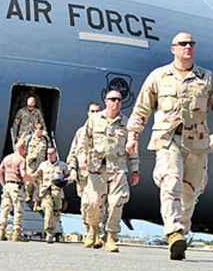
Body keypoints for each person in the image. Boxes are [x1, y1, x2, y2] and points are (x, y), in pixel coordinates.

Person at [126, 32, 213, 260]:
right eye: (183, 44)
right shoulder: (159, 77)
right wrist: (133, 135)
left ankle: (181, 233)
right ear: (173, 48)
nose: (188, 47)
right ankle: (173, 231)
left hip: (197, 142)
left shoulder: (207, 79)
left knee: (189, 191)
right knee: (170, 181)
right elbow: (142, 109)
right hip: (168, 139)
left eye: (191, 44)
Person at [78, 90, 139, 253]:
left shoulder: (127, 123)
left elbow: (133, 149)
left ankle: (111, 237)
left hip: (118, 168)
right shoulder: (94, 120)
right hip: (96, 168)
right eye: (112, 99)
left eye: (119, 100)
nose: (116, 102)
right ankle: (93, 229)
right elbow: (83, 142)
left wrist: (135, 170)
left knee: (116, 203)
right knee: (93, 202)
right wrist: (82, 158)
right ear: (106, 101)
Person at [66, 102, 102, 234]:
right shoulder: (81, 133)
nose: (95, 114)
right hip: (84, 176)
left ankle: (98, 233)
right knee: (86, 205)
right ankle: (89, 232)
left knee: (99, 204)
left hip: (100, 175)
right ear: (88, 113)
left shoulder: (106, 132)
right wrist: (73, 170)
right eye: (92, 111)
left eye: (97, 111)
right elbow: (73, 154)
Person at [32, 147, 70, 243]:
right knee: (48, 209)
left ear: (55, 154)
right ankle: (49, 232)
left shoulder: (62, 165)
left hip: (57, 193)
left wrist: (65, 182)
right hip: (46, 192)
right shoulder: (43, 165)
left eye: (51, 153)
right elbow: (36, 174)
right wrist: (31, 179)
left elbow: (70, 176)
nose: (49, 155)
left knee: (56, 213)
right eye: (48, 154)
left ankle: (53, 230)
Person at [0, 141, 29, 242]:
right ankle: (16, 233)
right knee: (18, 209)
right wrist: (30, 180)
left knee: (5, 209)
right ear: (22, 149)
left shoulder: (7, 158)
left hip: (7, 185)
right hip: (16, 186)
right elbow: (23, 174)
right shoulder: (21, 159)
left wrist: (4, 184)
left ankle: (1, 232)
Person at [25, 123, 51, 209]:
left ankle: (37, 203)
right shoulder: (29, 139)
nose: (39, 130)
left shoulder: (46, 140)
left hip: (41, 164)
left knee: (39, 183)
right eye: (38, 129)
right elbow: (24, 149)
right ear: (35, 130)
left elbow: (49, 150)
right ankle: (28, 195)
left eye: (41, 129)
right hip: (31, 164)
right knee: (29, 181)